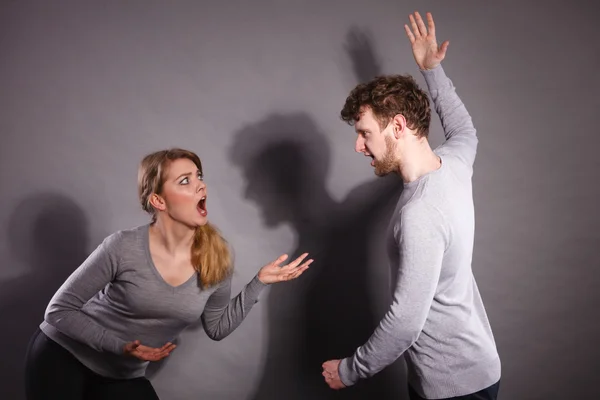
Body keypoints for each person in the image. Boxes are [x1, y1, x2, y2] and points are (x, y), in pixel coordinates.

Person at [24, 148, 313, 400]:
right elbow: (58, 311)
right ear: (159, 201)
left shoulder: (218, 255)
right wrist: (120, 346)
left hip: (122, 376)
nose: (200, 185)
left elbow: (217, 328)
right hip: (62, 358)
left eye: (199, 176)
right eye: (185, 181)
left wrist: (258, 282)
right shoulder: (122, 246)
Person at [321, 11, 501, 400]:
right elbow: (464, 129)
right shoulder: (454, 163)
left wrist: (349, 371)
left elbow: (404, 323)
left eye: (364, 133)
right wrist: (431, 71)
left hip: (453, 387)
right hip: (475, 371)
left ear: (398, 127)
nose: (358, 145)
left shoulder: (421, 213)